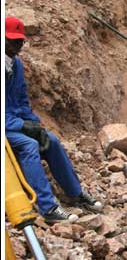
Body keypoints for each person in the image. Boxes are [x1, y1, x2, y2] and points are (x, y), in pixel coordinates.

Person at [5, 16, 102, 224]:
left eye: (19, 41)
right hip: (6, 127)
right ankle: (48, 208)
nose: (16, 45)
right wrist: (23, 126)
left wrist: (34, 124)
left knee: (51, 141)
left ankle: (76, 194)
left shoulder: (16, 65)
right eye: (12, 40)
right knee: (29, 145)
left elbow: (21, 99)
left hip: (14, 123)